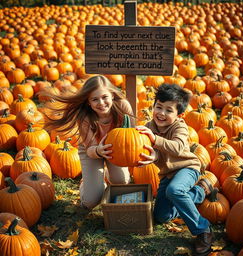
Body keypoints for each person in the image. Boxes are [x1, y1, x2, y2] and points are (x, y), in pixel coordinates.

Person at [136, 83, 214, 256]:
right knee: (161, 216)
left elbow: (178, 147)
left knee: (174, 190)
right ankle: (199, 191)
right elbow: (156, 152)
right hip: (168, 174)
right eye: (159, 107)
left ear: (180, 114)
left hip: (187, 168)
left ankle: (203, 229)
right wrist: (152, 157)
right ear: (153, 106)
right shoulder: (149, 127)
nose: (162, 113)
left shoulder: (179, 127)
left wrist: (154, 139)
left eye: (169, 110)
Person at [43, 75, 133, 209]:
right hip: (91, 150)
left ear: (112, 95)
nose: (101, 103)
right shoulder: (84, 116)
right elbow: (91, 149)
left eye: (104, 97)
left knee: (122, 181)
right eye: (95, 99)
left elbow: (131, 135)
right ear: (88, 102)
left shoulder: (122, 107)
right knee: (90, 202)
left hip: (114, 149)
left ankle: (106, 174)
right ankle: (87, 183)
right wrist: (98, 150)